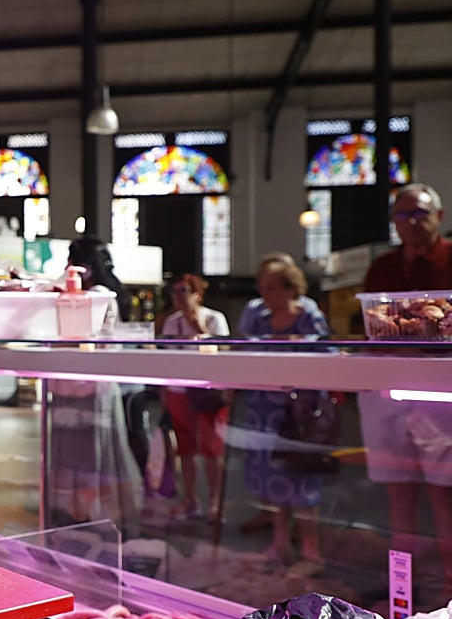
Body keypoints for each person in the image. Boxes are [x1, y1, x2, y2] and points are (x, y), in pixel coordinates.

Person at [357, 183, 452, 598]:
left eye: (419, 214)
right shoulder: (384, 267)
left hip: (443, 389)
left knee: (446, 491)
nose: (410, 223)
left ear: (438, 216)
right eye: (401, 216)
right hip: (390, 386)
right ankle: (401, 582)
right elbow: (369, 324)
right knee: (398, 490)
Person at [236, 256, 331, 578]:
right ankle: (280, 543)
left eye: (273, 288)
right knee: (271, 480)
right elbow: (244, 354)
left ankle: (311, 551)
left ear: (291, 287)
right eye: (262, 288)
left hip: (298, 412)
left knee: (300, 481)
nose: (266, 295)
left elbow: (326, 356)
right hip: (263, 409)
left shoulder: (308, 317)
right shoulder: (260, 319)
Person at [46, 237, 142, 532]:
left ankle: (94, 517)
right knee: (74, 454)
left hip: (90, 387)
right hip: (74, 384)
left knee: (90, 455)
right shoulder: (89, 292)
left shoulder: (100, 295)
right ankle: (74, 514)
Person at [159, 273, 230, 523]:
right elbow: (167, 360)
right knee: (185, 447)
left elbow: (222, 352)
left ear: (197, 294)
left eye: (184, 291)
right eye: (175, 292)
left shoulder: (214, 318)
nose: (178, 297)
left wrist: (197, 326)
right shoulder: (171, 323)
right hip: (179, 390)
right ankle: (190, 498)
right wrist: (164, 393)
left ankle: (215, 500)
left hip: (208, 390)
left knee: (211, 448)